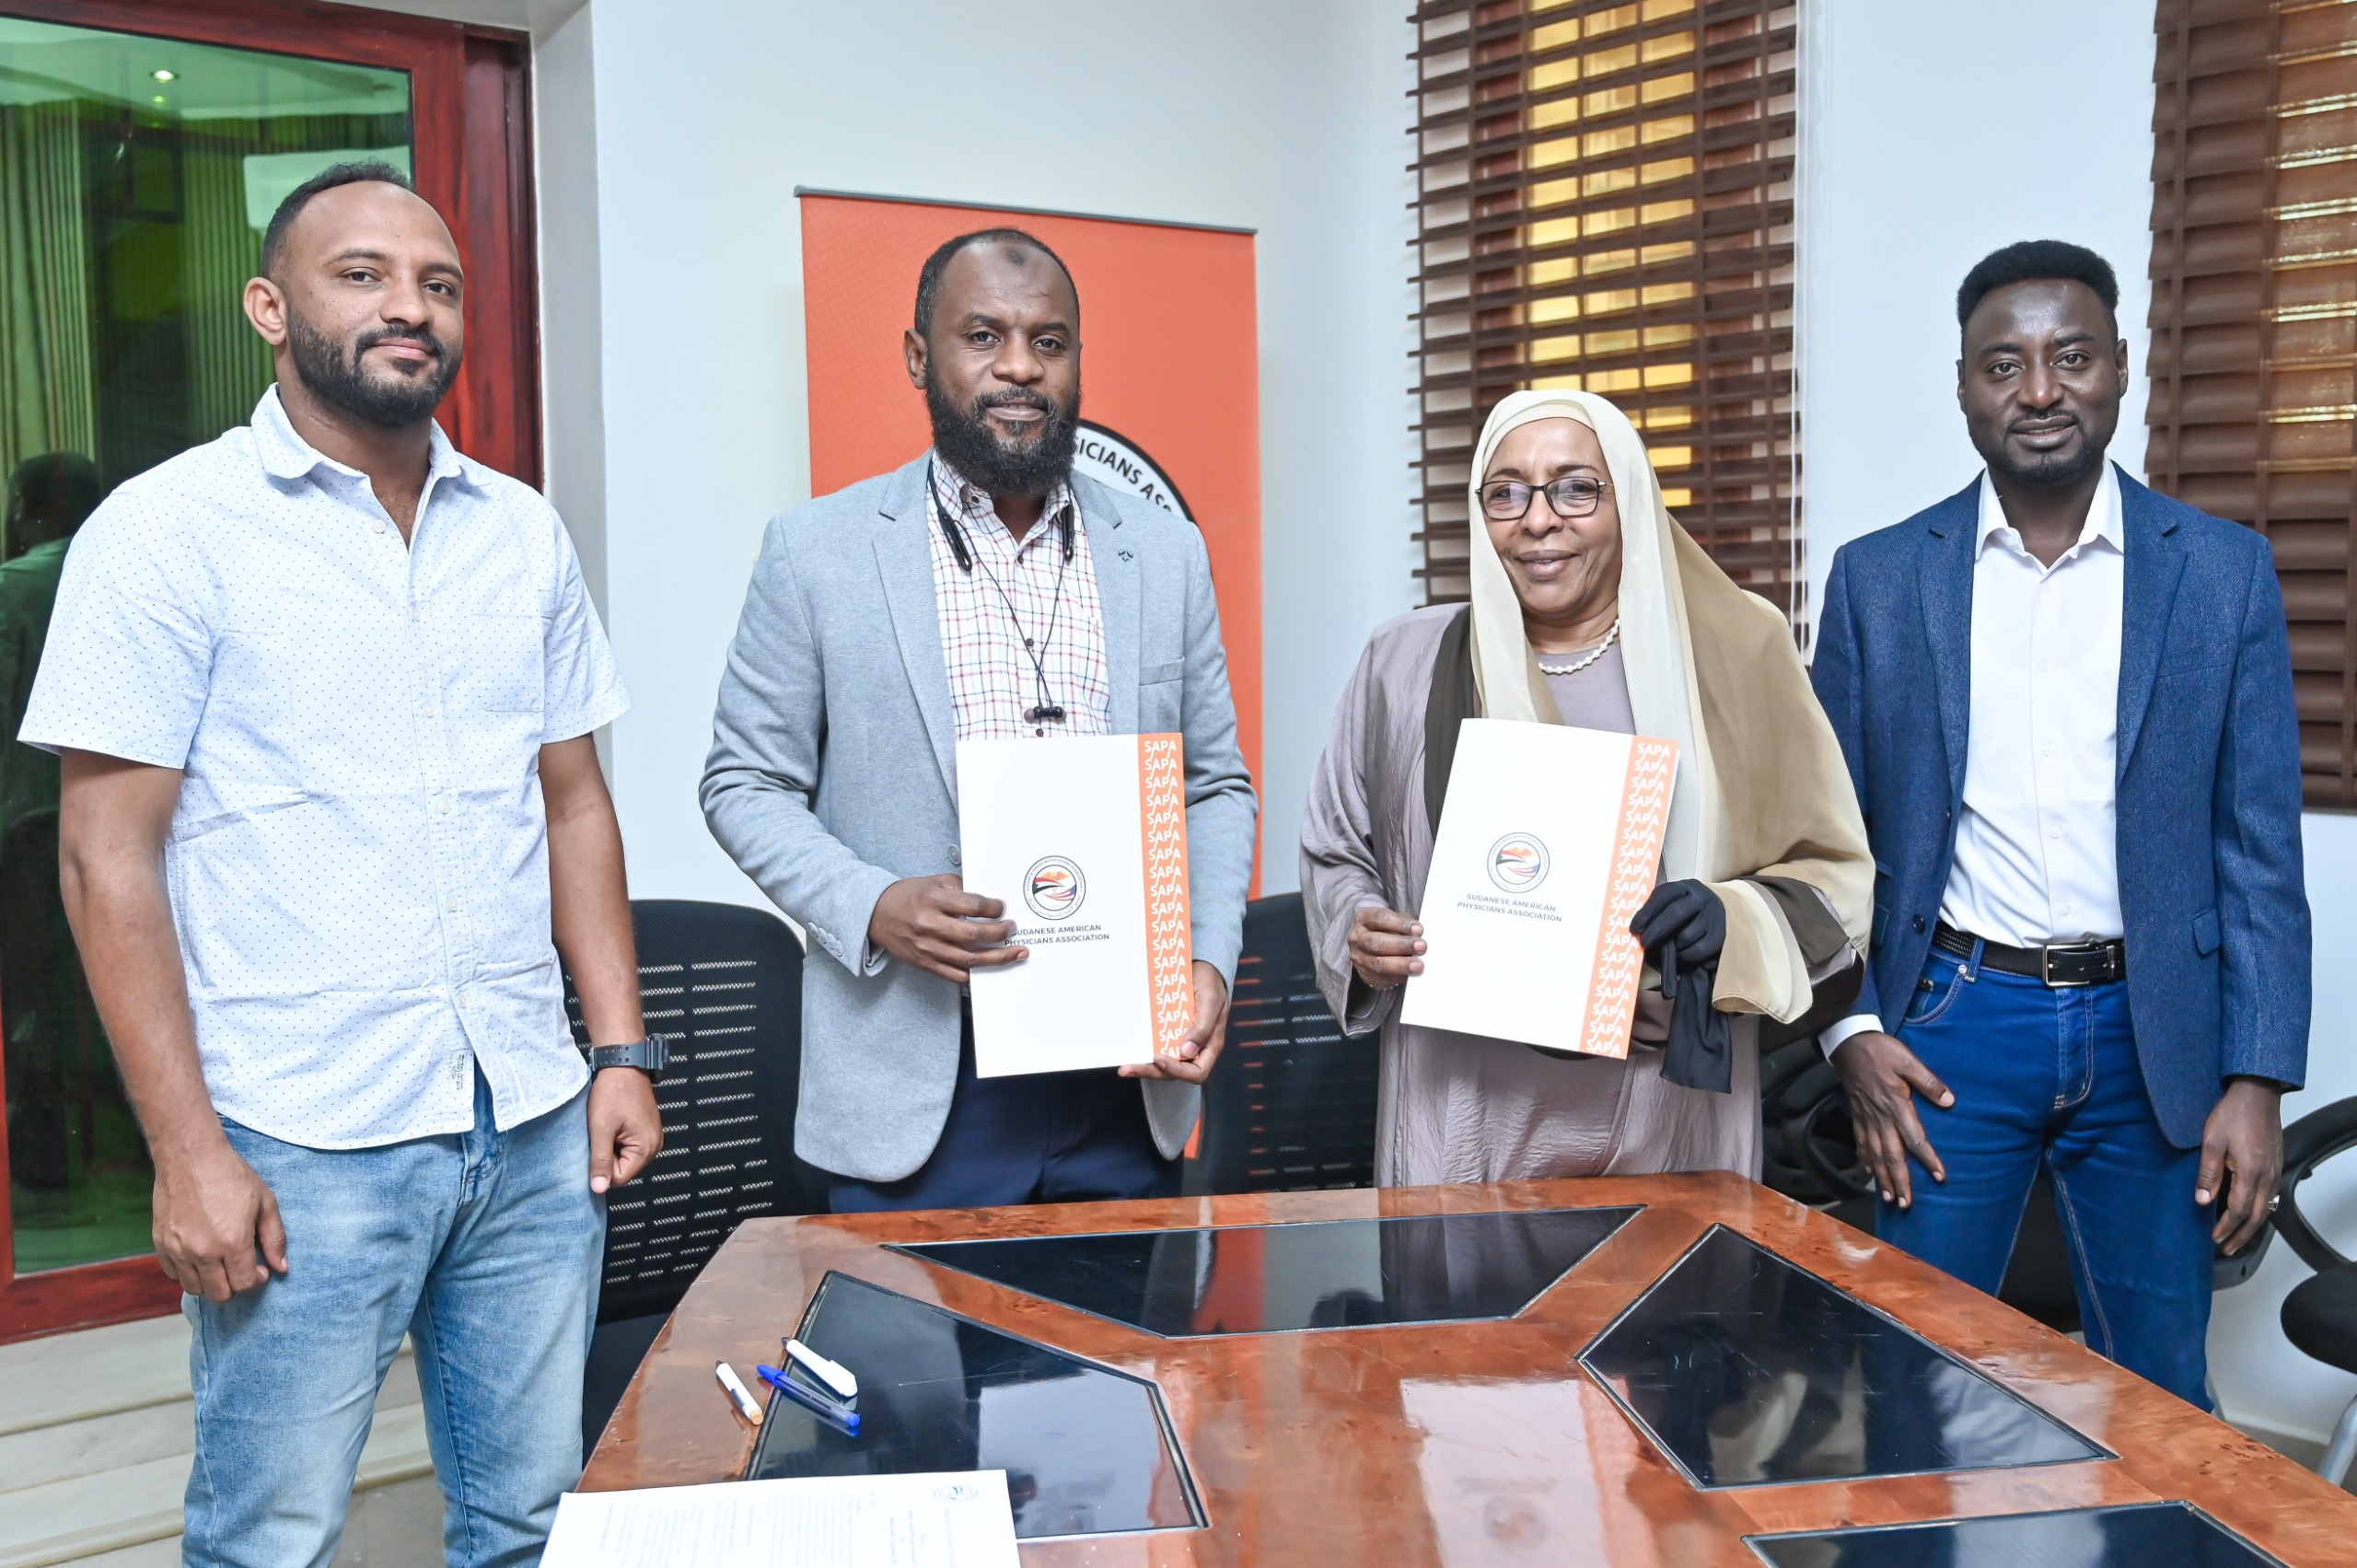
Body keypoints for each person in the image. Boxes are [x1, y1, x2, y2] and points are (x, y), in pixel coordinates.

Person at [18, 162, 662, 1567]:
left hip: (530, 1114)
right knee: (273, 1538)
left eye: (437, 284)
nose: (407, 306)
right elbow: (101, 858)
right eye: (361, 274)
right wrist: (188, 1151)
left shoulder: (521, 531)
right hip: (302, 1133)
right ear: (270, 307)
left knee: (533, 1523)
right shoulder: (167, 530)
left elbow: (573, 804)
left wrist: (618, 1050)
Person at [1811, 239, 2308, 1409]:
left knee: (2160, 1391)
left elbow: (2258, 847)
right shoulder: (1879, 580)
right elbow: (1823, 837)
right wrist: (1848, 1027)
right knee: (1911, 1375)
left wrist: (2257, 1076)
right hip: (1950, 1027)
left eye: (2070, 356)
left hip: (2157, 1032)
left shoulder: (2222, 574)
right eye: (2004, 364)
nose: (2039, 390)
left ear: (2121, 366)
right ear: (1963, 387)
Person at [702, 226, 1257, 1213]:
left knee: (1123, 1323)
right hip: (918, 1087)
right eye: (983, 335)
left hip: (1123, 1083)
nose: (1020, 367)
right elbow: (743, 783)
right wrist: (873, 902)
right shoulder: (816, 551)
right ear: (920, 357)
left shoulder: (1165, 549)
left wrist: (1206, 958)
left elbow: (1212, 785)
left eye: (1049, 341)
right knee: (907, 1328)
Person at [1298, 389, 1871, 1185]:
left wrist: (1731, 926)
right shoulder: (1403, 663)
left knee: (1674, 1269)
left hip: (1667, 1112)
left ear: (1628, 498)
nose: (1538, 519)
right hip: (1462, 1110)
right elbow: (1336, 849)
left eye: (1576, 488)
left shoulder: (1737, 651)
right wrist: (1360, 929)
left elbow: (1832, 879)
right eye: (1506, 492)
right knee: (1463, 1272)